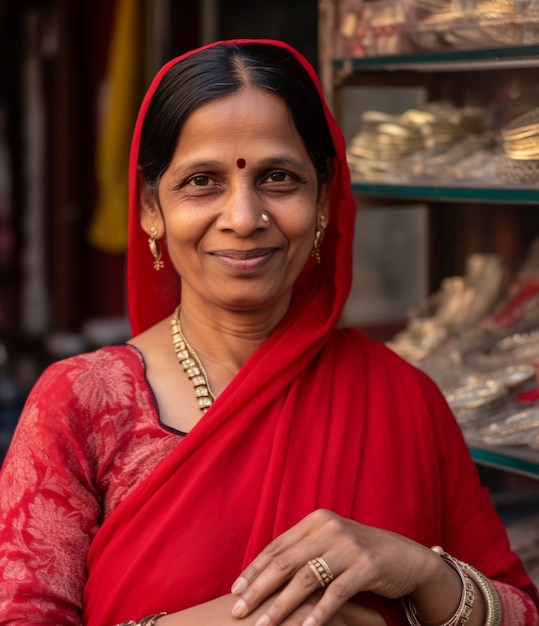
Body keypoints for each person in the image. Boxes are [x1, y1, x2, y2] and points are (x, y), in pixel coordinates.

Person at [0, 39, 537, 626]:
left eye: (278, 178)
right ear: (151, 208)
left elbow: (519, 612)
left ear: (325, 197)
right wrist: (245, 619)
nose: (243, 217)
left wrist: (419, 570)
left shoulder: (406, 398)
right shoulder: (79, 406)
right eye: (203, 181)